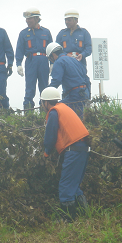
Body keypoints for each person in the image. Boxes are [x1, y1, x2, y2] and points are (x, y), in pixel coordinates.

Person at [41, 87, 90, 221]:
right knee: (74, 184)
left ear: (46, 102)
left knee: (66, 184)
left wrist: (46, 152)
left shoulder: (54, 112)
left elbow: (50, 136)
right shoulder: (64, 108)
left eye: (42, 103)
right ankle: (85, 214)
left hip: (73, 150)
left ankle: (67, 219)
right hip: (83, 148)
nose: (42, 106)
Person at [15, 7, 53, 110]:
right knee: (30, 89)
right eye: (26, 19)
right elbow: (19, 50)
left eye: (30, 19)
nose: (27, 21)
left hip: (43, 61)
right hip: (31, 61)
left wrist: (52, 63)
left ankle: (45, 112)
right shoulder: (23, 33)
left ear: (36, 19)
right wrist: (18, 64)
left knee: (44, 88)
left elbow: (51, 49)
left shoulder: (46, 32)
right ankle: (29, 114)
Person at [46, 42, 89, 117]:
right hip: (84, 93)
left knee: (57, 110)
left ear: (53, 54)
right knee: (80, 118)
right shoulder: (74, 60)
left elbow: (56, 81)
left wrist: (46, 93)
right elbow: (85, 76)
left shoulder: (59, 62)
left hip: (74, 95)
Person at [56, 9, 92, 97]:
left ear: (76, 20)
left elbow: (89, 48)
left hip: (80, 62)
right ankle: (67, 99)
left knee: (83, 79)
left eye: (69, 20)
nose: (67, 22)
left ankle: (86, 99)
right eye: (65, 20)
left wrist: (82, 55)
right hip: (65, 62)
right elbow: (57, 49)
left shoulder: (84, 33)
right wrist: (65, 55)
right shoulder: (61, 33)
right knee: (66, 79)